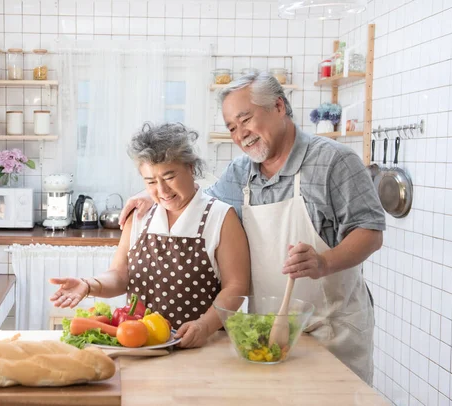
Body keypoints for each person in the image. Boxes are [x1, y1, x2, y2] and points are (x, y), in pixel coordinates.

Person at [119, 73, 385, 385]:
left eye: (246, 119)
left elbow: (370, 232)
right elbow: (196, 201)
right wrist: (148, 194)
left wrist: (323, 262)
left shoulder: (334, 160)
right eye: (232, 127)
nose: (240, 134)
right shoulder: (240, 172)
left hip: (331, 330)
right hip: (267, 333)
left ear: (279, 106)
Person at [50, 122, 250, 349]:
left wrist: (203, 326)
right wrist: (88, 285)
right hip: (141, 346)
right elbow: (119, 276)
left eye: (170, 176)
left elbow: (236, 287)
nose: (162, 191)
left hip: (201, 346)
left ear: (191, 168)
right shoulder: (140, 215)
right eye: (151, 182)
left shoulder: (221, 216)